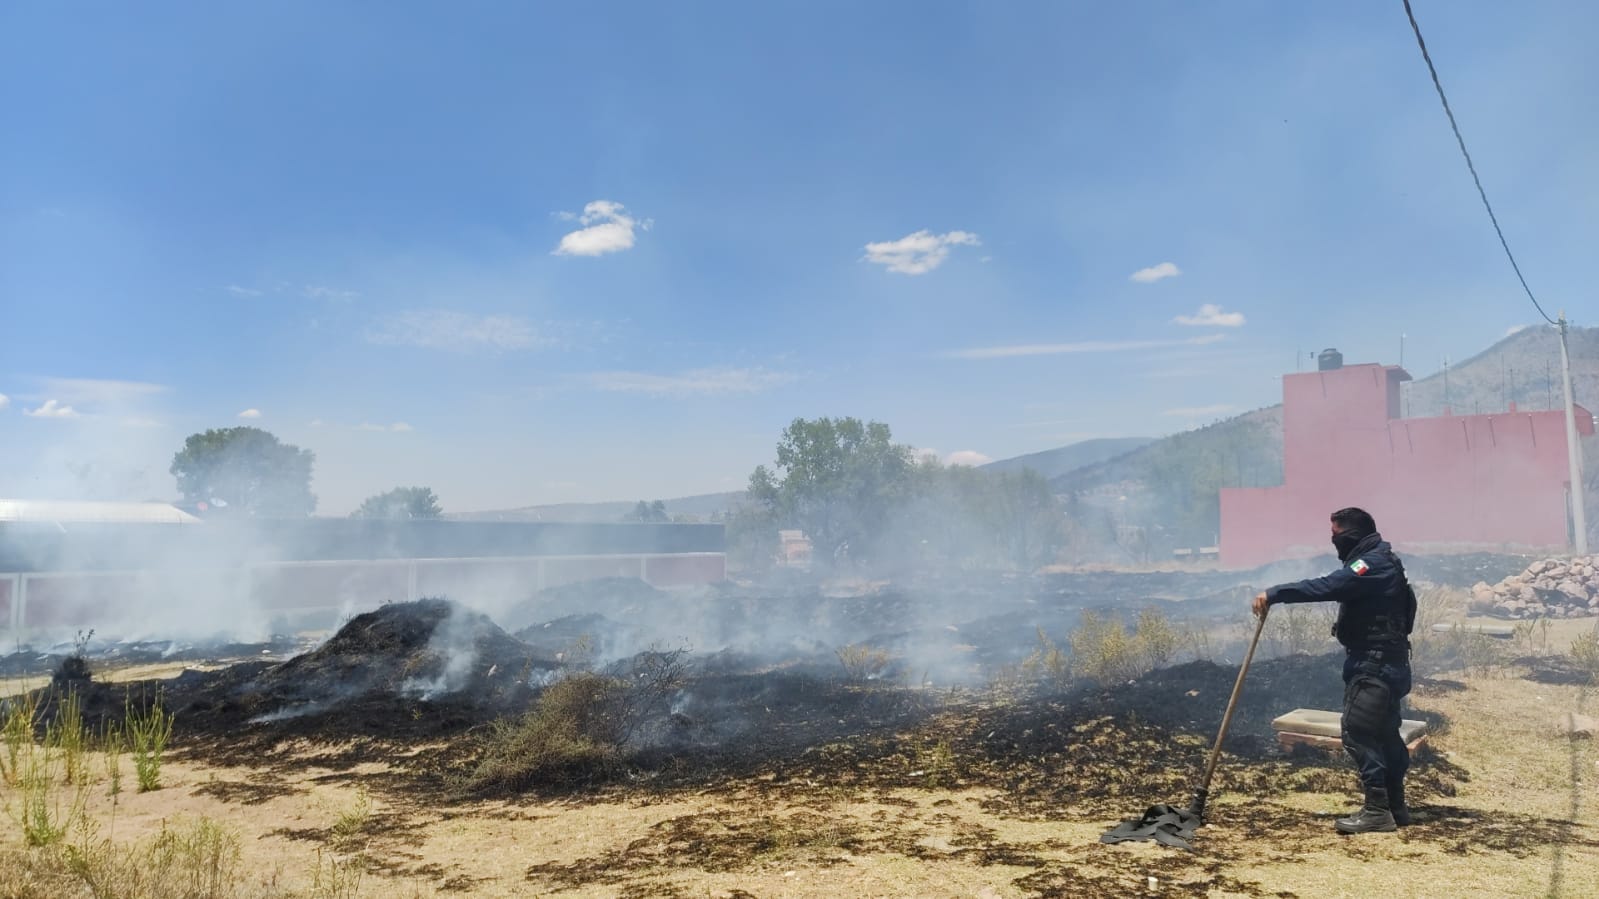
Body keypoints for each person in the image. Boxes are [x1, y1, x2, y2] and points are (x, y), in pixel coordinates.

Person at [1252, 507, 1417, 834]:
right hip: (1386, 662)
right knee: (1383, 734)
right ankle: (1395, 806)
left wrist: (1275, 594)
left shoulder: (1371, 564)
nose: (1334, 543)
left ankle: (1377, 811)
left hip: (1375, 664)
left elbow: (1328, 586)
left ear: (1352, 535)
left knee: (1357, 731)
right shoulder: (1382, 559)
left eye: (1337, 536)